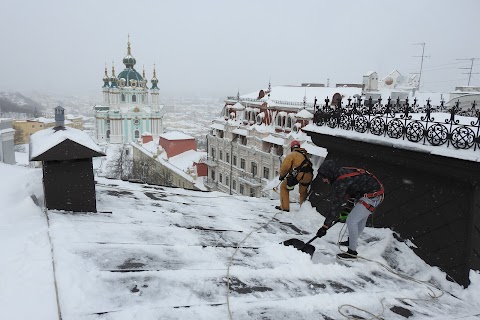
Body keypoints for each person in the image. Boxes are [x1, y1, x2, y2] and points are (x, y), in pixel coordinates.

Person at [315, 160, 384, 260]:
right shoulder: (340, 173)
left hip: (373, 196)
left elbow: (336, 205)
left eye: (324, 178)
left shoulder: (341, 181)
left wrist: (325, 226)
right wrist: (348, 208)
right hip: (369, 192)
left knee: (352, 221)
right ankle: (352, 241)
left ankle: (352, 252)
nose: (324, 181)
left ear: (329, 174)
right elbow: (352, 189)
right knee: (359, 220)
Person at [275, 140, 314, 212]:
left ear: (291, 148)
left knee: (283, 187)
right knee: (303, 192)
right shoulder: (305, 155)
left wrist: (282, 176)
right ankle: (303, 209)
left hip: (299, 175)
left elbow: (285, 167)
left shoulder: (292, 155)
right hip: (309, 175)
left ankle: (285, 207)